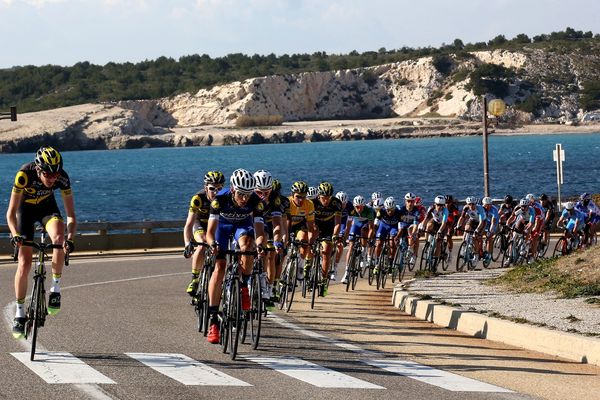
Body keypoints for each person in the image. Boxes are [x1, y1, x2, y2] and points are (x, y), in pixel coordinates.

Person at [7, 146, 76, 339]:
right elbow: (10, 213)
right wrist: (15, 235)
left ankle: (55, 289)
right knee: (24, 263)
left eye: (55, 174)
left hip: (47, 209)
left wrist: (70, 239)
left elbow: (70, 215)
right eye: (48, 174)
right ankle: (20, 314)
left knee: (59, 238)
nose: (53, 178)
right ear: (38, 169)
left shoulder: (62, 178)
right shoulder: (24, 175)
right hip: (25, 213)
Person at [205, 169, 266, 344]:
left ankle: (244, 286)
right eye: (241, 194)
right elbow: (210, 232)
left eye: (248, 194)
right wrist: (212, 244)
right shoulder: (219, 200)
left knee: (247, 247)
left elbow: (260, 232)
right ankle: (214, 320)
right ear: (232, 189)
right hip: (222, 229)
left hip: (242, 227)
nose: (244, 199)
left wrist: (260, 245)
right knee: (220, 267)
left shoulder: (256, 202)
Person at [183, 171, 225, 296]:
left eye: (219, 189)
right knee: (202, 243)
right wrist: (187, 244)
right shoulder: (198, 199)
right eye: (212, 188)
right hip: (200, 223)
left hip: (216, 225)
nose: (216, 192)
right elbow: (188, 225)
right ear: (206, 187)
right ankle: (195, 279)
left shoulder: (224, 199)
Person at [253, 170, 284, 308]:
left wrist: (278, 241)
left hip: (267, 223)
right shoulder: (249, 196)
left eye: (267, 192)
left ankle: (268, 286)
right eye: (260, 192)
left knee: (270, 253)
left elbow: (278, 224)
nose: (264, 196)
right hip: (250, 222)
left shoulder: (275, 198)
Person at [312, 182, 342, 291]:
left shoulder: (336, 203)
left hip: (328, 227)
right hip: (315, 225)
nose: (326, 200)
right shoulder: (313, 202)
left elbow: (338, 223)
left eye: (328, 198)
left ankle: (323, 281)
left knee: (326, 253)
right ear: (319, 196)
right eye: (323, 198)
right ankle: (307, 264)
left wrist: (335, 235)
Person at [341, 195, 375, 284]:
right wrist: (345, 237)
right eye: (357, 207)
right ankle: (347, 270)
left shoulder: (369, 211)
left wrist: (369, 239)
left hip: (365, 225)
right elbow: (348, 226)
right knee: (351, 246)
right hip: (355, 225)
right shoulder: (352, 210)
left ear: (364, 206)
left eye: (361, 207)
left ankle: (363, 252)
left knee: (364, 231)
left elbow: (371, 228)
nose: (359, 209)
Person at [287, 181, 316, 280]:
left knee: (304, 239)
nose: (300, 199)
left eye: (303, 197)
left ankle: (300, 265)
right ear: (292, 195)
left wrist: (310, 243)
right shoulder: (287, 202)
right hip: (287, 226)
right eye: (298, 196)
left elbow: (311, 227)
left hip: (300, 227)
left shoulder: (309, 204)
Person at [419, 195, 449, 261]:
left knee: (438, 242)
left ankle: (435, 260)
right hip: (435, 221)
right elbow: (426, 219)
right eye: (438, 205)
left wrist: (440, 231)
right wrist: (422, 227)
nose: (439, 207)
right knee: (428, 225)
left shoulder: (445, 211)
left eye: (441, 205)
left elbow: (444, 223)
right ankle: (427, 242)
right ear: (435, 204)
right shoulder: (431, 208)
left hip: (442, 225)